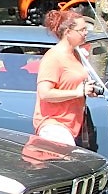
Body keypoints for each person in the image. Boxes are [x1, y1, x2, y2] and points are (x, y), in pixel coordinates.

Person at [33, 9, 100, 148]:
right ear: (68, 32)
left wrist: (87, 90)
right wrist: (78, 92)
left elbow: (72, 83)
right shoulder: (53, 57)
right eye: (82, 30)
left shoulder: (76, 54)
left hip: (75, 125)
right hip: (54, 126)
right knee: (66, 167)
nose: (86, 33)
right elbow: (45, 93)